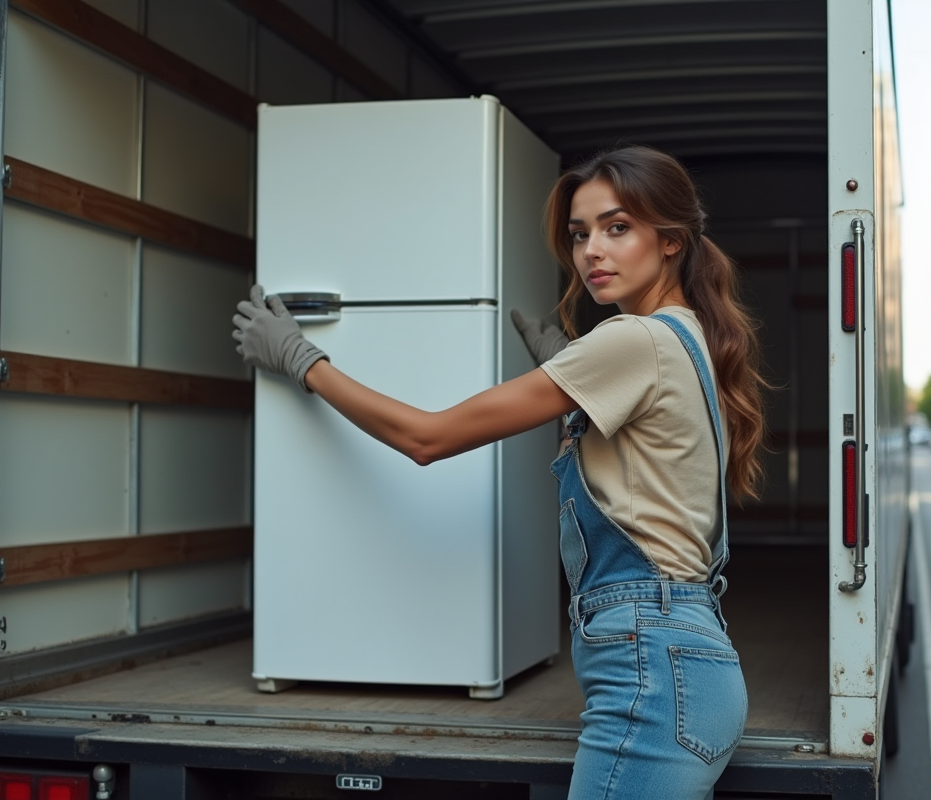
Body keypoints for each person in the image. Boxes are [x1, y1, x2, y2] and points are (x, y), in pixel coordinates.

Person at [232, 144, 768, 800]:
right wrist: (573, 387)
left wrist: (303, 360)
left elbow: (427, 438)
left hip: (652, 674)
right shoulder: (689, 337)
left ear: (671, 240)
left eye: (617, 227)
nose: (592, 251)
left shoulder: (636, 340)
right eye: (580, 234)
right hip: (689, 663)